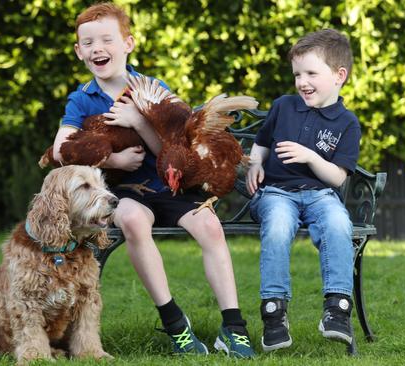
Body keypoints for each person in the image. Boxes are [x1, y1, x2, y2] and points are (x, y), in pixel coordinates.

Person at [51, 2, 255, 358]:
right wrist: (113, 159)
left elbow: (180, 147)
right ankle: (175, 323)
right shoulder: (82, 100)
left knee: (210, 227)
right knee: (131, 220)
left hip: (170, 185)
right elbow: (59, 150)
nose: (98, 48)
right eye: (89, 42)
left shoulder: (153, 87)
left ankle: (233, 327)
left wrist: (138, 121)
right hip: (125, 192)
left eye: (107, 39)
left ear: (128, 44)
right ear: (79, 51)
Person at [245, 28, 361, 353]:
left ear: (339, 76)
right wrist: (255, 164)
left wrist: (311, 157)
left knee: (339, 223)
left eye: (311, 73)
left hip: (321, 195)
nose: (302, 81)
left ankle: (337, 309)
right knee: (280, 224)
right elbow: (262, 141)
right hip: (277, 194)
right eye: (297, 74)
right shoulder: (283, 106)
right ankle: (274, 313)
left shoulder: (347, 123)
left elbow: (338, 178)